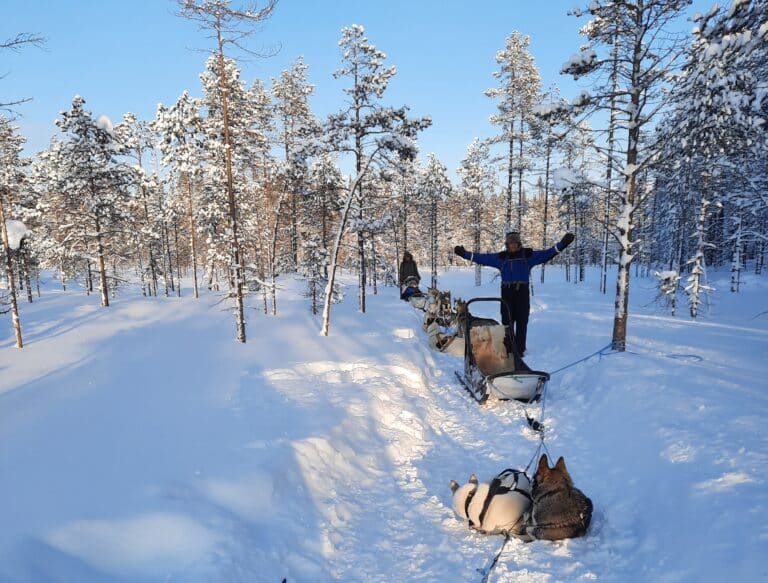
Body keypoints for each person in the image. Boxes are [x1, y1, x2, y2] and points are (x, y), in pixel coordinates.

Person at [453, 231, 574, 355]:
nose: (512, 245)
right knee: (507, 321)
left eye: (515, 243)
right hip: (507, 292)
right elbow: (482, 258)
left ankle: (520, 350)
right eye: (510, 243)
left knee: (522, 321)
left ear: (519, 243)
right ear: (507, 244)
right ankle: (509, 349)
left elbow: (548, 254)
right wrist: (464, 254)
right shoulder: (501, 258)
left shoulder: (527, 256)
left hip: (522, 292)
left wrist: (563, 243)